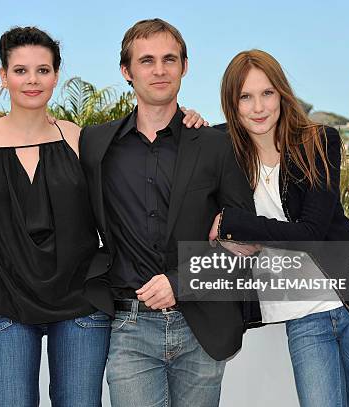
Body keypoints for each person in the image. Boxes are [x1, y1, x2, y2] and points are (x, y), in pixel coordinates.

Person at [0, 26, 206, 406]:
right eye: (21, 70)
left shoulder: (81, 138)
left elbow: (144, 162)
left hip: (79, 301)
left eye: (43, 70)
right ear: (3, 75)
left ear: (56, 76)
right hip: (3, 299)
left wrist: (191, 121)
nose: (32, 80)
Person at [211, 49, 349, 407]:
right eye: (246, 96)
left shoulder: (319, 141)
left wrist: (237, 224)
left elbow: (311, 233)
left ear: (282, 94)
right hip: (301, 315)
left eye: (267, 93)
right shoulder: (222, 151)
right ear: (232, 103)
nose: (258, 107)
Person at [79, 19, 254, 406]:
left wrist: (181, 280)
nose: (159, 70)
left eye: (169, 59)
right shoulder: (95, 143)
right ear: (127, 71)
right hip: (129, 325)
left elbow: (246, 239)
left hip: (202, 325)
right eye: (147, 61)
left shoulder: (216, 145)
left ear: (184, 66)